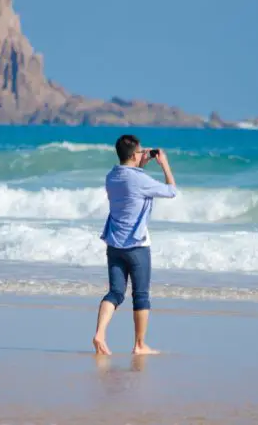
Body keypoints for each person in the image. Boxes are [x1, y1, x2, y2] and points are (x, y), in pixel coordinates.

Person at [92, 134, 176, 356]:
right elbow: (171, 191)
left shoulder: (111, 176)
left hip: (114, 244)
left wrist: (141, 163)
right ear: (133, 155)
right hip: (137, 245)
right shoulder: (140, 180)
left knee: (115, 293)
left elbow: (131, 182)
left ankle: (100, 333)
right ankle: (139, 345)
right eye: (140, 151)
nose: (143, 154)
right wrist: (164, 164)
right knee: (141, 295)